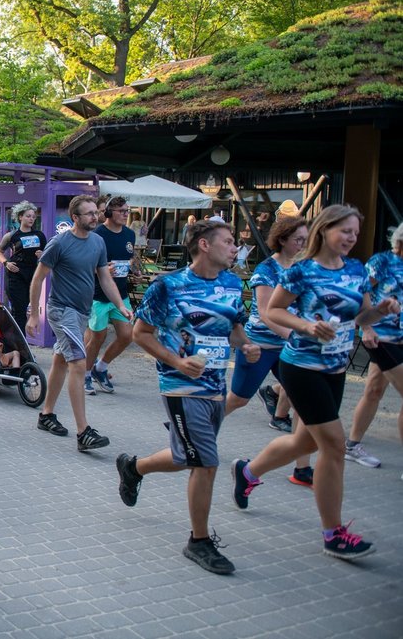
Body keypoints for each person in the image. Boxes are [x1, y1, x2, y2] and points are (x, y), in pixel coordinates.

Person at [231, 205, 400, 561]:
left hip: (335, 370)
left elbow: (359, 316)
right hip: (302, 367)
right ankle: (333, 533)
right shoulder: (302, 271)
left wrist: (380, 311)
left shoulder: (356, 270)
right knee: (334, 446)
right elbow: (273, 310)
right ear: (324, 230)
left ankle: (248, 472)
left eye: (356, 232)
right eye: (346, 231)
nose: (352, 239)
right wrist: (307, 327)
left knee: (303, 440)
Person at [116, 219, 258, 575]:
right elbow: (140, 333)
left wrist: (247, 347)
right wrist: (176, 361)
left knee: (187, 456)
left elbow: (235, 331)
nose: (234, 247)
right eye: (228, 241)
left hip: (214, 385)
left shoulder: (231, 282)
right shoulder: (169, 286)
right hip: (180, 386)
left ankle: (134, 467)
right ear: (205, 245)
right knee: (206, 462)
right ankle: (199, 541)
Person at [27, 196, 130, 451]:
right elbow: (38, 279)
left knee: (61, 360)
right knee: (78, 362)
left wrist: (120, 305)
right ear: (75, 218)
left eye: (96, 212)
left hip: (82, 312)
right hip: (61, 311)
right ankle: (84, 431)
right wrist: (33, 314)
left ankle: (46, 414)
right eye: (89, 214)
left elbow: (105, 278)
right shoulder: (60, 243)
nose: (95, 217)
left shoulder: (97, 242)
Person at [222, 216, 315, 485]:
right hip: (260, 344)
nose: (303, 244)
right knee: (238, 398)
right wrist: (294, 335)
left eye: (306, 240)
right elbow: (265, 313)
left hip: (290, 347)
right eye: (298, 239)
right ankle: (196, 429)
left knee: (303, 401)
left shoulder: (304, 269)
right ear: (282, 239)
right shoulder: (266, 269)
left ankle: (302, 468)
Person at [344, 222, 403, 471]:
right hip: (381, 337)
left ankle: (352, 445)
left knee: (374, 391)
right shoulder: (383, 261)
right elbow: (359, 293)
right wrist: (365, 328)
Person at [83, 197, 136, 395]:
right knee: (97, 338)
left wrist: (133, 269)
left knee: (126, 335)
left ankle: (101, 368)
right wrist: (102, 271)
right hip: (98, 295)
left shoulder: (129, 234)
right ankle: (85, 374)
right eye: (121, 210)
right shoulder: (97, 234)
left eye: (127, 211)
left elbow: (131, 257)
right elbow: (85, 263)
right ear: (108, 213)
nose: (125, 214)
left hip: (121, 294)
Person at [0, 201, 46, 333]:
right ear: (20, 217)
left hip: (33, 276)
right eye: (28, 216)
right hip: (15, 276)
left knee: (28, 309)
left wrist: (42, 254)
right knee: (19, 311)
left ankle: (19, 346)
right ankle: (20, 347)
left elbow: (47, 254)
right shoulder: (12, 235)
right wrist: (6, 263)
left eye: (33, 216)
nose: (31, 218)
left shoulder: (39, 235)